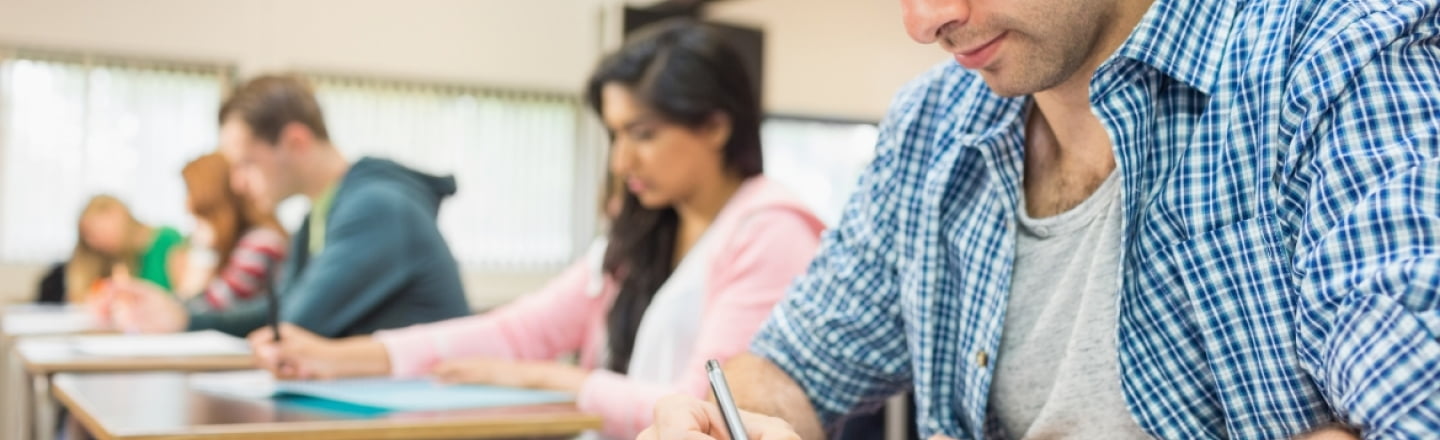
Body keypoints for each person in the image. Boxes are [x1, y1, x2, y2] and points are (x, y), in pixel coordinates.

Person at [640, 0, 1440, 438]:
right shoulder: (931, 126)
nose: (925, 19)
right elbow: (791, 374)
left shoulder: (1336, 50)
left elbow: (1416, 411)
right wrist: (718, 419)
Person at [247, 21, 826, 440]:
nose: (622, 162)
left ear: (716, 126)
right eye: (614, 136)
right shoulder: (645, 231)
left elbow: (707, 411)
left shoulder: (770, 230)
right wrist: (343, 357)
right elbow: (518, 331)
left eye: (643, 134)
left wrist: (557, 379)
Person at [106, 74, 470, 337]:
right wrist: (180, 315)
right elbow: (278, 307)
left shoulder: (377, 209)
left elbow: (294, 322)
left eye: (246, 162)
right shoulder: (319, 215)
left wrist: (186, 319)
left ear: (296, 141)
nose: (237, 182)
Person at [177, 152, 289, 315]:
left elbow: (207, 310)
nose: (187, 204)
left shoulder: (262, 243)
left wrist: (204, 252)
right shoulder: (237, 244)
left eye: (190, 191)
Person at [66, 194, 184, 303]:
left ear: (117, 213)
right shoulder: (110, 259)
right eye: (89, 237)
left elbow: (184, 297)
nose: (94, 242)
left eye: (99, 232)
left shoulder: (167, 239)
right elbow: (81, 297)